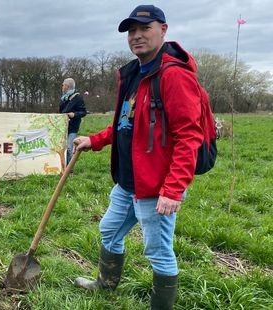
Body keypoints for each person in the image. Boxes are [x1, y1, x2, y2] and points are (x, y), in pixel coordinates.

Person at [73, 5, 206, 309]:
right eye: (131, 31)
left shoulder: (174, 76)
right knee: (109, 230)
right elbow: (125, 124)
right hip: (128, 180)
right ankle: (105, 284)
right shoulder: (133, 74)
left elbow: (189, 137)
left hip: (156, 184)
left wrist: (173, 190)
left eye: (145, 28)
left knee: (157, 250)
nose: (137, 36)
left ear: (163, 29)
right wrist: (94, 140)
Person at [59, 78, 87, 167]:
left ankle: (69, 170)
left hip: (73, 127)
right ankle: (62, 167)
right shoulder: (63, 98)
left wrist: (74, 114)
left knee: (69, 148)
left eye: (63, 85)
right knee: (62, 148)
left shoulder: (77, 98)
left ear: (67, 86)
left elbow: (83, 112)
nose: (62, 86)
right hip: (63, 127)